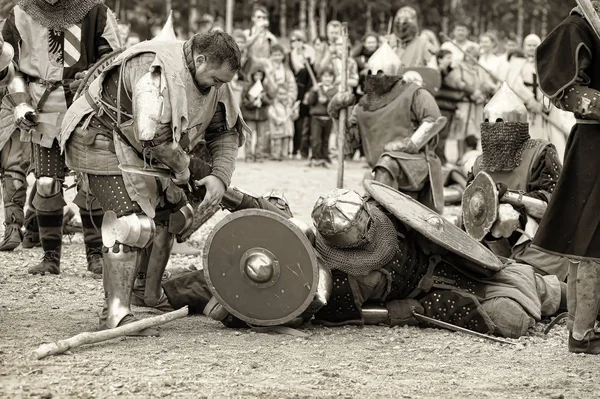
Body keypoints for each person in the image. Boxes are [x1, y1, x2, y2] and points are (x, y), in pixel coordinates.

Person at [160, 186, 564, 339]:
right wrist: (406, 313)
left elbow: (261, 208)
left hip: (443, 264)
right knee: (510, 317)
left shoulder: (381, 212)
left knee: (517, 276)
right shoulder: (327, 282)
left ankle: (561, 292)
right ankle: (170, 290)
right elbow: (353, 313)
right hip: (425, 293)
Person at [58, 30, 248, 334]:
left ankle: (147, 289)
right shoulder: (152, 69)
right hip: (100, 137)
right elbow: (154, 138)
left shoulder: (214, 80)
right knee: (131, 225)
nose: (218, 87)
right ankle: (116, 313)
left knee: (176, 214)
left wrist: (219, 177)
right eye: (215, 79)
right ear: (200, 60)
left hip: (148, 153)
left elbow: (225, 133)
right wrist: (185, 171)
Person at [0, 0, 122, 275]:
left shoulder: (94, 11)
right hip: (42, 107)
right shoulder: (22, 12)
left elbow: (112, 60)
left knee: (91, 183)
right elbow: (11, 68)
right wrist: (20, 103)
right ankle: (50, 257)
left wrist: (94, 79)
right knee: (45, 183)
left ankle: (95, 255)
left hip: (86, 108)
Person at [532, 1, 600, 354]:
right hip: (594, 144)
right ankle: (582, 332)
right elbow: (562, 90)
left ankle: (583, 328)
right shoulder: (578, 26)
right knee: (590, 241)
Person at [464, 83, 569, 281]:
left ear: (517, 125)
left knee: (506, 215)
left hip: (537, 243)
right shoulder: (479, 163)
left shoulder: (541, 152)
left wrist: (508, 197)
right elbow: (470, 214)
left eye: (502, 122)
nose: (496, 128)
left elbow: (554, 205)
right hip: (491, 248)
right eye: (490, 123)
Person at [328, 43, 444, 212]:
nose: (375, 78)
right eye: (371, 74)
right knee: (385, 165)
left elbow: (433, 120)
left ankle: (379, 217)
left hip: (416, 164)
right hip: (381, 169)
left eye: (381, 74)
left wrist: (408, 144)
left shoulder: (414, 93)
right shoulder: (363, 107)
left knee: (388, 163)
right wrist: (336, 114)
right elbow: (347, 145)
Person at [505, 34, 573, 161]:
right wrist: (530, 100)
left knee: (544, 141)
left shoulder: (546, 63)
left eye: (534, 45)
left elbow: (551, 85)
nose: (531, 48)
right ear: (524, 47)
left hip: (543, 110)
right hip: (523, 110)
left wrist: (544, 103)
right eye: (529, 45)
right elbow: (515, 83)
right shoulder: (516, 64)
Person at [444, 42, 496, 158]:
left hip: (477, 105)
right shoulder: (459, 68)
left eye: (474, 55)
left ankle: (471, 157)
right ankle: (460, 157)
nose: (470, 57)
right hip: (464, 104)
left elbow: (487, 83)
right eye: (468, 54)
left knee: (475, 131)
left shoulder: (479, 69)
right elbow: (453, 81)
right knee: (461, 131)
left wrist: (489, 88)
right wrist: (470, 90)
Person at [288, 30, 316, 160]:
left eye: (298, 40)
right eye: (293, 41)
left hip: (306, 91)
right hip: (293, 90)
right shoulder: (289, 56)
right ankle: (293, 150)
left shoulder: (310, 56)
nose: (296, 43)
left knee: (304, 122)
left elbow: (312, 76)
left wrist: (309, 93)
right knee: (294, 121)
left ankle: (302, 150)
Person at [304, 67, 337, 167]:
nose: (327, 79)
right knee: (316, 139)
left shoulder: (334, 90)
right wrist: (314, 92)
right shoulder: (316, 88)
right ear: (321, 77)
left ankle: (324, 158)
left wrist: (326, 100)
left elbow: (335, 104)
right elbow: (309, 102)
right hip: (316, 118)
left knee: (325, 140)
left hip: (328, 118)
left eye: (330, 76)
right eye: (325, 76)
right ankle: (315, 157)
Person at [241, 61, 273, 162]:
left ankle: (259, 155)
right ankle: (249, 155)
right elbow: (244, 102)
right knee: (249, 137)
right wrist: (252, 103)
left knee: (261, 137)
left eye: (261, 75)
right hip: (250, 116)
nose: (258, 77)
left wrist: (263, 98)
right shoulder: (247, 87)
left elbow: (270, 100)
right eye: (256, 75)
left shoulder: (265, 87)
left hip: (262, 116)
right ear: (252, 75)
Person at [268, 85, 298, 161]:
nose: (283, 96)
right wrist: (278, 120)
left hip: (287, 128)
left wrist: (294, 112)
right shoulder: (274, 105)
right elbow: (271, 114)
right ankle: (275, 156)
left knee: (286, 143)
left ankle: (284, 156)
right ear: (277, 95)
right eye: (280, 94)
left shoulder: (290, 105)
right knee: (277, 144)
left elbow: (294, 117)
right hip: (278, 129)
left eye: (284, 94)